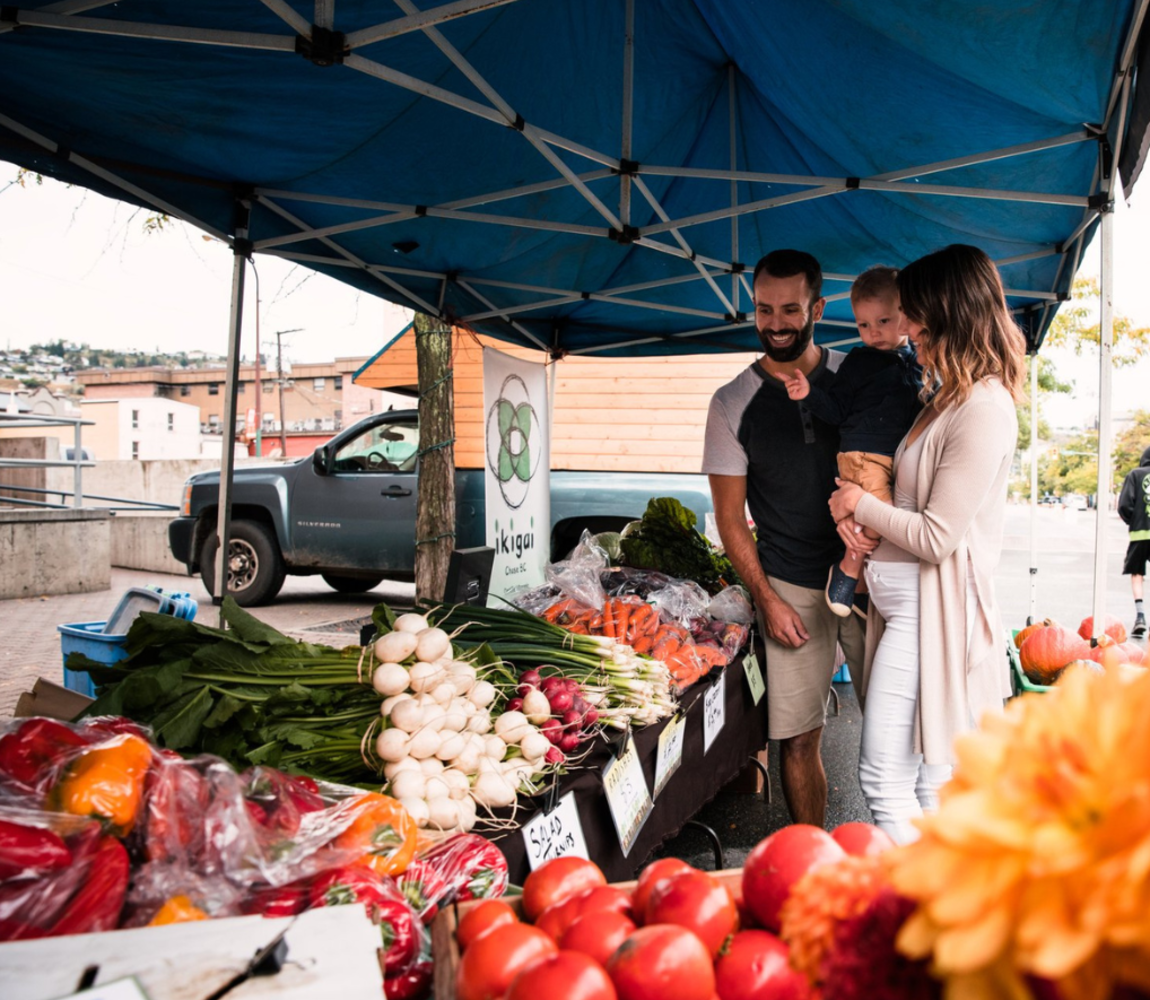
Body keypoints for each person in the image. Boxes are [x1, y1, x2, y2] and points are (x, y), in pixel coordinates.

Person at [828, 243, 1026, 845]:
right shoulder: (948, 397)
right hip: (909, 614)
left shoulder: (984, 409)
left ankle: (921, 913)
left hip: (930, 621)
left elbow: (938, 537)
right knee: (925, 786)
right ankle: (934, 917)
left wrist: (859, 505)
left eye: (914, 315)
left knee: (885, 777)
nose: (907, 328)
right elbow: (909, 509)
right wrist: (862, 523)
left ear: (949, 312)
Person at [703, 249, 865, 829]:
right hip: (791, 587)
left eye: (791, 309)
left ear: (819, 307)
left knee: (905, 730)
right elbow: (728, 518)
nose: (775, 323)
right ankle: (812, 863)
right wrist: (766, 599)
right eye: (764, 309)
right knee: (796, 741)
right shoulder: (730, 403)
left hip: (872, 581)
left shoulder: (858, 375)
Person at [774, 266, 923, 617]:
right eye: (863, 325)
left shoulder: (917, 360)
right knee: (882, 518)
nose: (873, 333)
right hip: (863, 456)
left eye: (883, 321)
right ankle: (850, 571)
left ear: (906, 314)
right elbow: (837, 409)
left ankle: (862, 578)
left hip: (897, 457)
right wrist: (809, 394)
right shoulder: (859, 362)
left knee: (893, 517)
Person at [1117, 445, 1150, 639]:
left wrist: (1134, 519)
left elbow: (1124, 504)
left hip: (1140, 533)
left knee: (1137, 574)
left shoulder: (1135, 475)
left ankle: (1140, 616)